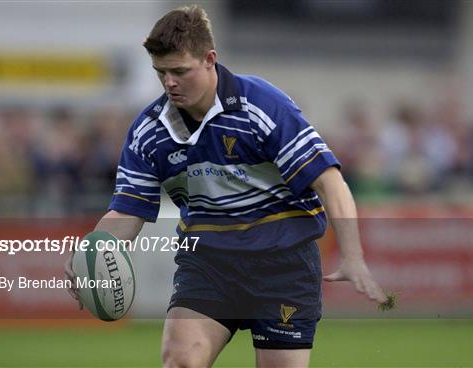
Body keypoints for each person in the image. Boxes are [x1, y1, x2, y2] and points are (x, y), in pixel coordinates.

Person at [65, 5, 387, 367]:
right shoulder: (148, 132)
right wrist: (94, 250)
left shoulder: (261, 106)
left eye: (180, 71)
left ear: (210, 60)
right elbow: (127, 209)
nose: (169, 82)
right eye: (161, 72)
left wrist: (354, 256)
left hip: (284, 263)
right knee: (180, 360)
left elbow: (330, 181)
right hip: (208, 263)